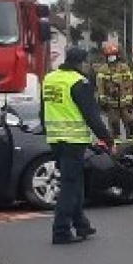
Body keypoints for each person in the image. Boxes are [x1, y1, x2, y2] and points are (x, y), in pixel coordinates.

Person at [41, 45, 116, 245]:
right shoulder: (79, 82)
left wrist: (47, 132)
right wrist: (108, 140)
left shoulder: (50, 78)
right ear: (82, 62)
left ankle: (81, 223)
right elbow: (92, 115)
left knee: (75, 183)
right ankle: (61, 231)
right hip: (73, 141)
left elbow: (43, 110)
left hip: (55, 140)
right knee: (69, 186)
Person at [96, 43, 129, 141]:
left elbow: (129, 83)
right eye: (109, 56)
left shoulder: (124, 67)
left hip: (125, 103)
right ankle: (116, 146)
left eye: (113, 55)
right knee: (114, 127)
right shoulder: (103, 69)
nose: (111, 58)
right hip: (111, 104)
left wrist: (130, 97)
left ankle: (132, 145)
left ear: (117, 55)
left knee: (130, 125)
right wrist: (102, 99)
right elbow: (100, 86)